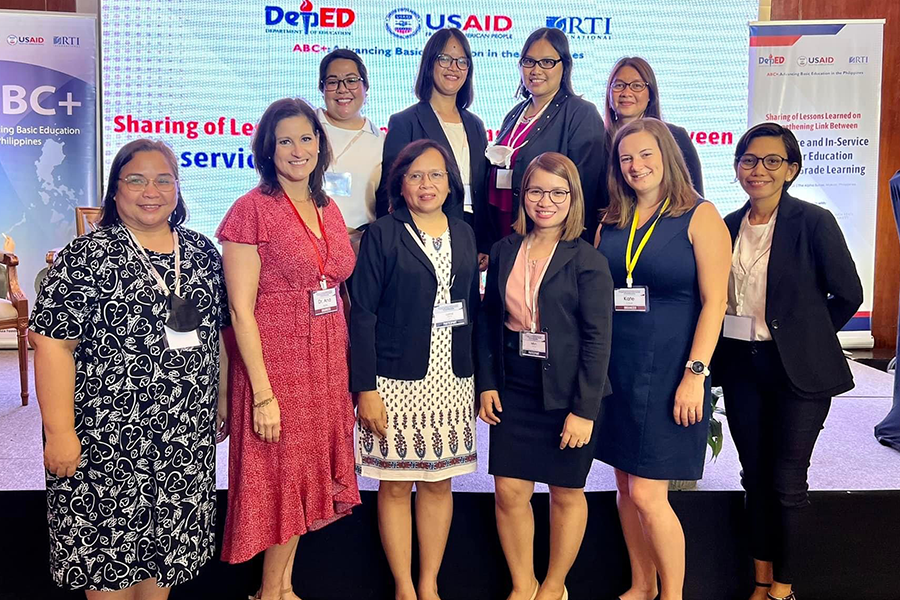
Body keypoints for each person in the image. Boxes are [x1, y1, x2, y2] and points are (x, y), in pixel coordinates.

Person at [29, 138, 230, 598]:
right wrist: (59, 432)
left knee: (162, 566)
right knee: (108, 566)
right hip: (105, 443)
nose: (151, 191)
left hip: (182, 440)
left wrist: (220, 396)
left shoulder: (201, 253)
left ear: (178, 189)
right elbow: (52, 347)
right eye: (136, 180)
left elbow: (215, 333)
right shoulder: (85, 256)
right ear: (115, 191)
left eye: (163, 180)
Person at [217, 98, 360, 600]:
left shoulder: (328, 206)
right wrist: (260, 394)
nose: (297, 150)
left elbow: (334, 283)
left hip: (324, 362)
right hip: (275, 364)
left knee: (302, 477)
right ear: (267, 149)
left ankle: (279, 589)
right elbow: (239, 311)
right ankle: (270, 592)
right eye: (285, 140)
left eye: (306, 138)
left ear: (320, 144)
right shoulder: (250, 210)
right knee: (279, 477)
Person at [713, 123, 862, 600]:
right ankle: (760, 581)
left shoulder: (813, 222)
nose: (759, 170)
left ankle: (783, 588)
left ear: (791, 169)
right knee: (753, 476)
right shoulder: (726, 225)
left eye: (772, 161)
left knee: (786, 481)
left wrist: (804, 337)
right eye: (749, 160)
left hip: (798, 373)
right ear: (737, 167)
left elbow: (848, 294)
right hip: (741, 366)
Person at [594, 118, 731, 600]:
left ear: (667, 156)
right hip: (617, 370)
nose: (636, 166)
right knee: (626, 490)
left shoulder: (700, 215)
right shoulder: (610, 219)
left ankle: (672, 595)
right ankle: (641, 584)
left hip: (673, 370)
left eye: (646, 154)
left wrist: (696, 375)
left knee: (650, 494)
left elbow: (716, 302)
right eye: (626, 158)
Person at [479, 152, 614, 600]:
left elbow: (598, 341)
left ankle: (554, 586)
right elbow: (488, 321)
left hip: (568, 389)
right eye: (536, 190)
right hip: (514, 384)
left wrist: (584, 411)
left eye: (558, 192)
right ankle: (524, 584)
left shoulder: (588, 260)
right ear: (523, 195)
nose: (545, 201)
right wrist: (488, 383)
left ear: (572, 198)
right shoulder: (503, 250)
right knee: (509, 491)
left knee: (565, 492)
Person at [351, 139, 480, 600]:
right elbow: (362, 313)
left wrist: (482, 381)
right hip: (395, 381)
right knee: (396, 486)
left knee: (439, 483)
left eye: (436, 175)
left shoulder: (464, 232)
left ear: (450, 183)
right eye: (416, 175)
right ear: (400, 184)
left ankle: (429, 585)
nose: (427, 184)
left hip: (453, 379)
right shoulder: (383, 233)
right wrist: (364, 389)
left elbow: (472, 309)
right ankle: (404, 588)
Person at [376, 29, 491, 263]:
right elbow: (391, 190)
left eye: (462, 61)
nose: (454, 68)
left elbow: (482, 188)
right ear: (430, 64)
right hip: (421, 235)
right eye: (445, 59)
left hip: (469, 234)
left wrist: (485, 241)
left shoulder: (476, 124)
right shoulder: (405, 122)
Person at [486, 27, 607, 246]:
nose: (536, 70)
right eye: (529, 61)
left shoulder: (580, 114)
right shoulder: (514, 114)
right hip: (506, 236)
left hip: (553, 241)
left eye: (547, 62)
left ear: (565, 66)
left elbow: (583, 192)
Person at [603, 56, 704, 196]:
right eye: (619, 85)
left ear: (650, 93)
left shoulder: (676, 136)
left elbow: (694, 195)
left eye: (637, 86)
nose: (626, 93)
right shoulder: (596, 141)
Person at [316, 49, 385, 244]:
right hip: (308, 245)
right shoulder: (306, 129)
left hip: (362, 247)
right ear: (322, 88)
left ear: (365, 86)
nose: (342, 89)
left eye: (352, 80)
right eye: (332, 82)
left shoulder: (381, 141)